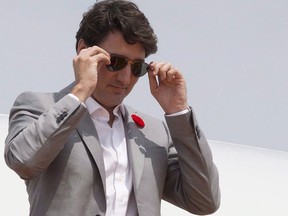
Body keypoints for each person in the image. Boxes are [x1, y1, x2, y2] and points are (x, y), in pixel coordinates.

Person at [4, 0, 220, 215]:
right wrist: (80, 91)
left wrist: (178, 112)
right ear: (83, 50)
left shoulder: (155, 133)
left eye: (137, 67)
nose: (125, 78)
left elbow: (204, 201)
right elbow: (23, 162)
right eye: (115, 61)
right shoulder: (41, 106)